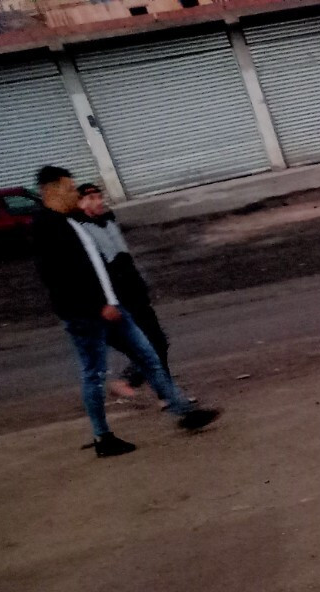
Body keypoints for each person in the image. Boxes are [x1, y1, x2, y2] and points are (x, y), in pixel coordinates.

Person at [32, 165, 217, 457]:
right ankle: (103, 438)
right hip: (88, 317)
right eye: (69, 189)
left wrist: (111, 300)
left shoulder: (69, 221)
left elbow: (96, 264)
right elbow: (59, 280)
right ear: (51, 190)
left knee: (149, 356)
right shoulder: (48, 227)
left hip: (113, 308)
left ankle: (184, 411)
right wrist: (98, 305)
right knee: (93, 374)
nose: (74, 194)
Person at [75, 181, 170, 399]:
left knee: (157, 342)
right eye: (90, 199)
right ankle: (135, 382)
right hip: (118, 298)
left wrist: (140, 284)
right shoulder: (81, 231)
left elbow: (125, 257)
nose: (98, 202)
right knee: (152, 343)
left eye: (99, 197)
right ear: (80, 203)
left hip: (135, 292)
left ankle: (163, 394)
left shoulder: (108, 221)